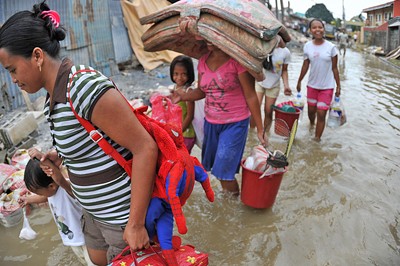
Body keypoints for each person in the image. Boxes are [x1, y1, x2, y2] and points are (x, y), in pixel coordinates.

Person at [0, 2, 158, 265]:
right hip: (93, 214)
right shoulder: (53, 96)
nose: (13, 80)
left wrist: (136, 224)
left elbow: (145, 148)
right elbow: (91, 142)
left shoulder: (83, 86)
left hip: (121, 217)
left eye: (12, 69)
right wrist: (58, 156)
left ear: (37, 56)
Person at [171, 41, 266, 195]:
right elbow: (202, 92)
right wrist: (184, 96)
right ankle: (228, 202)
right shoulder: (203, 61)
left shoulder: (237, 61)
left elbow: (251, 96)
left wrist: (260, 129)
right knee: (217, 169)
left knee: (224, 172)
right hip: (211, 123)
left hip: (235, 123)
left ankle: (233, 208)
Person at [20, 148, 95, 266]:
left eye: (39, 192)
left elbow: (58, 178)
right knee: (83, 261)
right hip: (73, 239)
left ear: (51, 186)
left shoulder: (67, 188)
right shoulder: (51, 192)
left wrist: (44, 160)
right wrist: (28, 200)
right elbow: (45, 197)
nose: (40, 195)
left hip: (86, 239)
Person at [296, 18, 341, 141]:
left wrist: (338, 86)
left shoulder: (331, 47)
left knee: (321, 114)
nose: (318, 30)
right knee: (311, 112)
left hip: (327, 87)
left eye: (320, 27)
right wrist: (299, 80)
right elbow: (305, 65)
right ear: (310, 30)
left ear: (323, 29)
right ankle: (311, 124)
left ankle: (316, 140)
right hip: (312, 85)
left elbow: (335, 68)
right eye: (314, 27)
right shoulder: (307, 46)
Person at [250, 37, 292, 131]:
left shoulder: (285, 52)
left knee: (268, 111)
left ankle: (265, 134)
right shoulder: (263, 47)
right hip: (260, 82)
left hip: (274, 85)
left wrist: (286, 86)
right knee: (254, 109)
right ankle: (251, 133)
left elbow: (284, 71)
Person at [169, 55, 196, 153]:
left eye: (183, 74)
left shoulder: (188, 91)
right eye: (176, 73)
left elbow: (190, 116)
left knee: (182, 160)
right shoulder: (175, 88)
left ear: (190, 74)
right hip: (178, 133)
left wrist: (179, 132)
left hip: (186, 135)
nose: (179, 77)